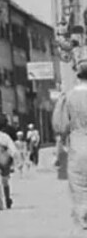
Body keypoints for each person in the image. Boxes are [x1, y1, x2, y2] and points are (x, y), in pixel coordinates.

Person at [54, 59, 87, 228]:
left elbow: (61, 126)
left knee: (80, 186)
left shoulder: (68, 96)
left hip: (79, 145)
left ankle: (83, 218)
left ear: (77, 75)